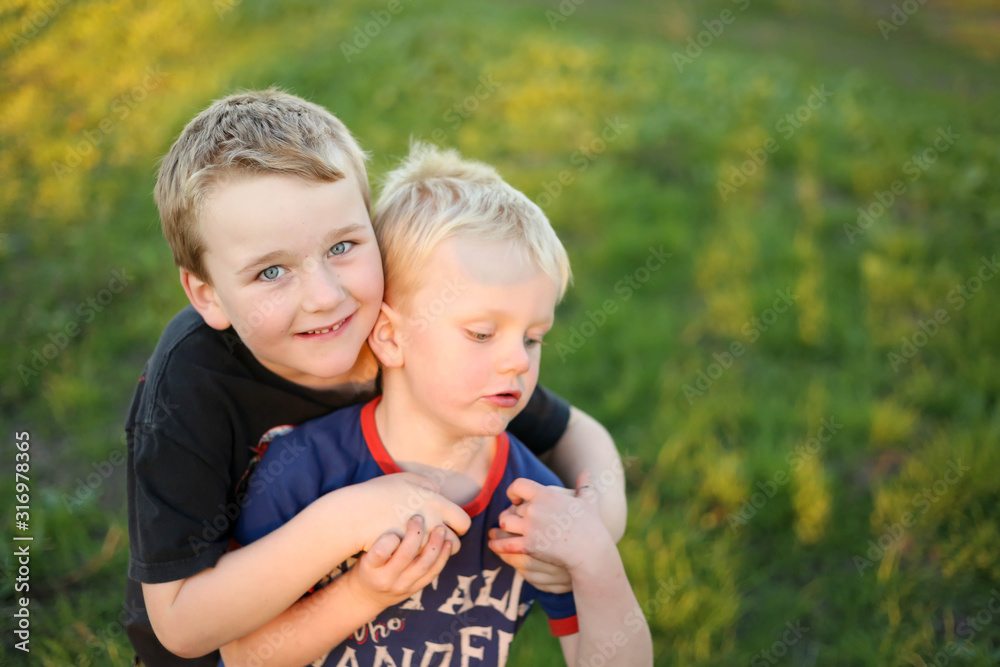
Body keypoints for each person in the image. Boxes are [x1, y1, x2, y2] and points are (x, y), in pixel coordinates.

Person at [126, 89, 627, 665]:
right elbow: (183, 627)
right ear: (208, 294)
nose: (324, 297)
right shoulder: (191, 379)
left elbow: (577, 436)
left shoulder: (404, 327)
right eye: (270, 271)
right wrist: (345, 520)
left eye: (342, 246)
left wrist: (593, 532)